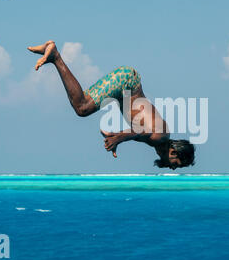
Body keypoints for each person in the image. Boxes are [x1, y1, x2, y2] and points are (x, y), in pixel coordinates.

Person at [28, 40, 195, 169]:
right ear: (174, 152)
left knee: (82, 104)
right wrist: (119, 138)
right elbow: (140, 131)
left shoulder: (159, 138)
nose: (173, 168)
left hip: (125, 87)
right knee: (82, 107)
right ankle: (55, 55)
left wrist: (115, 136)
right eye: (176, 164)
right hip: (127, 83)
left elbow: (137, 131)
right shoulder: (161, 136)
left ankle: (50, 53)